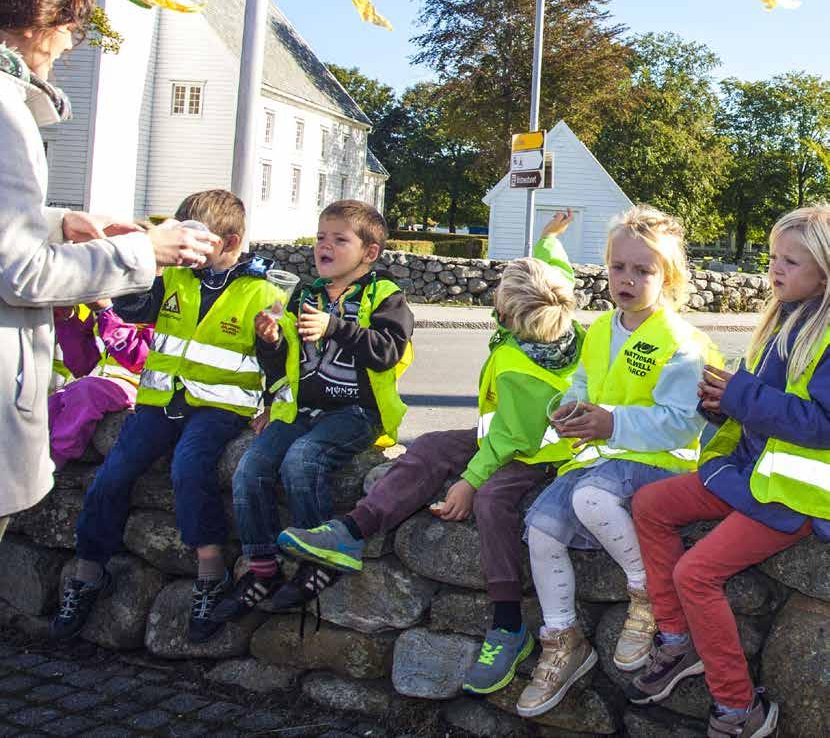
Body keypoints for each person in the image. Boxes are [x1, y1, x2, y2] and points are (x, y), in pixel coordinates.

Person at [278, 212, 585, 696]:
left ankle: (508, 625)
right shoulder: (555, 318)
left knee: (492, 501)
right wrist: (549, 240)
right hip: (511, 434)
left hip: (542, 452)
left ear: (507, 316)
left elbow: (508, 439)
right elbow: (555, 273)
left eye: (498, 298)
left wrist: (468, 482)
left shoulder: (516, 369)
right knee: (433, 445)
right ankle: (352, 531)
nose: (493, 302)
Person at [0, 0, 216, 544]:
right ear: (39, 21)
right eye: (70, 28)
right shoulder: (5, 112)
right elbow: (21, 274)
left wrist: (55, 222)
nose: (70, 48)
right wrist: (147, 251)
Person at [629, 203, 830, 738]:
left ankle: (739, 709)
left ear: (825, 272)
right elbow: (760, 404)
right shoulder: (782, 317)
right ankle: (675, 640)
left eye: (790, 261)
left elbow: (822, 424)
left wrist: (741, 395)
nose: (774, 270)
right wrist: (721, 402)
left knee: (696, 573)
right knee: (649, 505)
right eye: (771, 257)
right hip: (753, 470)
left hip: (794, 492)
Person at [50, 188, 277, 643]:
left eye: (198, 242)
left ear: (230, 244)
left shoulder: (263, 292)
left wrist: (274, 398)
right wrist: (148, 257)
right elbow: (133, 305)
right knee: (112, 474)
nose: (187, 252)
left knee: (188, 467)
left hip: (219, 408)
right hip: (159, 402)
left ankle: (210, 574)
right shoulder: (173, 279)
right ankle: (88, 570)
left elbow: (281, 360)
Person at [517, 205, 714, 719]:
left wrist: (611, 423)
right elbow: (584, 384)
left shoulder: (683, 343)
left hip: (659, 463)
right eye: (617, 267)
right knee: (540, 527)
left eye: (643, 270)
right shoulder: (602, 328)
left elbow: (681, 422)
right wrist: (572, 409)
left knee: (588, 496)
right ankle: (563, 641)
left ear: (668, 277)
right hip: (602, 457)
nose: (626, 279)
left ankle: (647, 593)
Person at [209, 199, 414, 627]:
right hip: (303, 407)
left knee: (304, 459)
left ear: (369, 253)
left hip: (357, 412)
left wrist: (336, 327)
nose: (325, 246)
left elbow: (388, 352)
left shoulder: (385, 296)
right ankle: (261, 567)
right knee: (251, 467)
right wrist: (269, 341)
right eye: (321, 237)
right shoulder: (305, 293)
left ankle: (319, 557)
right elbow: (283, 362)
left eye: (340, 239)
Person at [48, 301, 152, 469]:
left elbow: (139, 359)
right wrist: (68, 319)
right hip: (103, 383)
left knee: (85, 390)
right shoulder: (120, 298)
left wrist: (106, 311)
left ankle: (55, 460)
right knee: (50, 406)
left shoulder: (162, 298)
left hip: (143, 386)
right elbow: (83, 367)